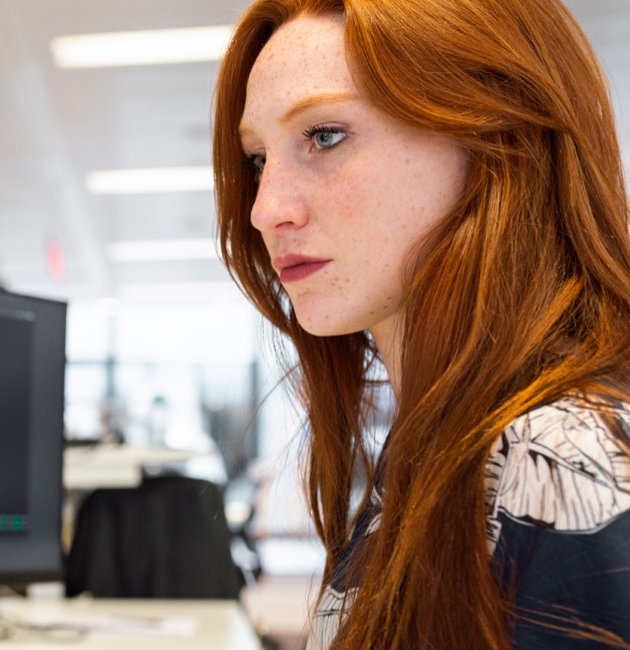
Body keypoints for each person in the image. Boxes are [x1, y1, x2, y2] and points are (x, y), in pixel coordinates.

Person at [212, 0, 630, 648]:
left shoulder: (561, 457)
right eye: (259, 159)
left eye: (324, 136)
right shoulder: (440, 443)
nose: (266, 210)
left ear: (501, 136)